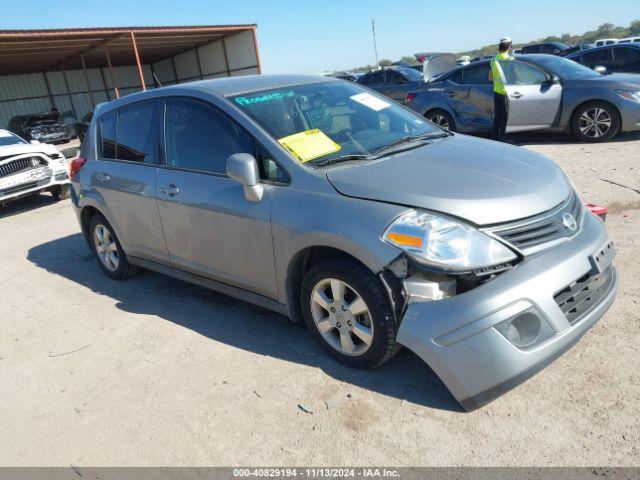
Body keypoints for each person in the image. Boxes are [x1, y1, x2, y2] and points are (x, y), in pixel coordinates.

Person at [488, 37, 514, 140]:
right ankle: (503, 138)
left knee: (497, 116)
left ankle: (495, 136)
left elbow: (490, 77)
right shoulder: (511, 60)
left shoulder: (493, 59)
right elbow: (515, 76)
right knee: (505, 117)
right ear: (509, 46)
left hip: (496, 92)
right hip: (506, 92)